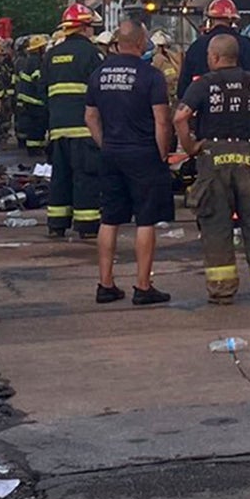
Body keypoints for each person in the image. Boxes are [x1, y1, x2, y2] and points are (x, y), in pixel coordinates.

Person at [174, 33, 250, 305]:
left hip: (213, 157)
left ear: (213, 57)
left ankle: (222, 290)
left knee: (216, 224)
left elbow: (180, 116)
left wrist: (190, 147)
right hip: (248, 157)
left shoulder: (203, 85)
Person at [86, 19, 175, 306]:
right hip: (144, 153)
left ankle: (105, 283)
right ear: (140, 43)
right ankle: (143, 285)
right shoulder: (150, 76)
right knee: (145, 219)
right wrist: (163, 154)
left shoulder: (98, 74)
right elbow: (161, 120)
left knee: (109, 218)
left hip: (112, 152)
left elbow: (90, 117)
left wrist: (105, 144)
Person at [42, 3, 105, 239]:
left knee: (60, 176)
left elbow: (43, 94)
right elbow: (100, 91)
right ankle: (87, 226)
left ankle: (56, 224)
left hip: (58, 128)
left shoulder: (51, 55)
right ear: (84, 28)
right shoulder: (92, 53)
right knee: (85, 177)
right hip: (83, 128)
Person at [178, 0, 250, 95]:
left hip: (203, 106)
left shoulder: (196, 47)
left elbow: (183, 90)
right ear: (233, 20)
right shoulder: (248, 46)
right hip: (241, 106)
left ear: (211, 20)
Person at [11, 34, 49, 165]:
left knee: (32, 126)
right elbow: (38, 80)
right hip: (34, 100)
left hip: (27, 99)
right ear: (39, 49)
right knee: (37, 127)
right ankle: (35, 150)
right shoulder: (36, 62)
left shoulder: (28, 60)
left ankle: (34, 148)